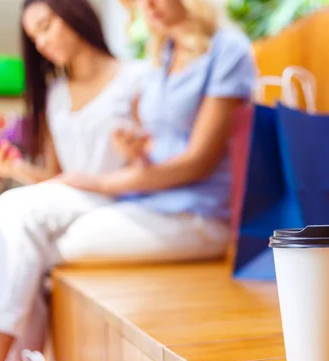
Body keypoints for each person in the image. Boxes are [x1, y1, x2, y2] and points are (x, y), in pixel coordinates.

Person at [0, 0, 147, 361]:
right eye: (34, 36)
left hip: (115, 203)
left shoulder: (136, 79)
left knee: (16, 211)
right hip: (65, 202)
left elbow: (152, 162)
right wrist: (13, 169)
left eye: (46, 27)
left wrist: (133, 155)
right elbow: (56, 178)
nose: (41, 43)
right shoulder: (56, 95)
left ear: (75, 15)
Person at [54, 0, 257, 262]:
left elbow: (198, 162)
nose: (147, 6)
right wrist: (138, 152)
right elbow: (160, 147)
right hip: (150, 202)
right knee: (50, 231)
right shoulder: (160, 58)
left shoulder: (228, 50)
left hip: (199, 213)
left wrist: (102, 183)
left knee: (65, 243)